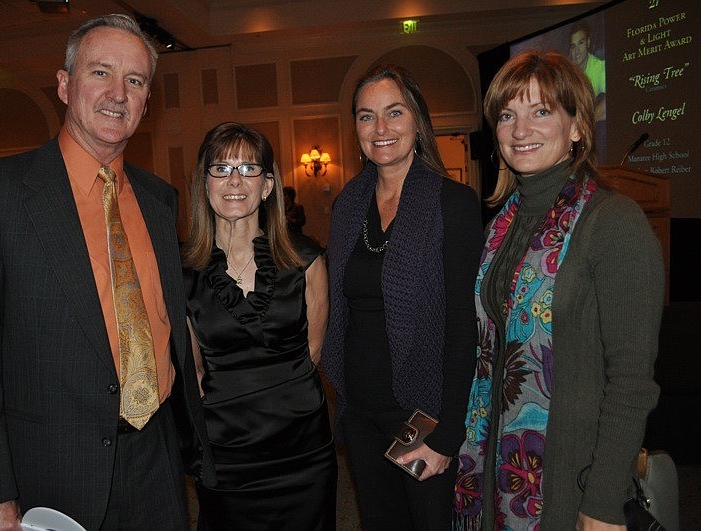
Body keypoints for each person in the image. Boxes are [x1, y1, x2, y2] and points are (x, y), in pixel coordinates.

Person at [0, 14, 213, 530]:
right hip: (50, 476)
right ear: (64, 85)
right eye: (100, 73)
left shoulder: (158, 200)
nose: (118, 93)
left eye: (135, 81)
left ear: (147, 102)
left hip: (157, 458)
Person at [452, 50, 663, 529]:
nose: (520, 130)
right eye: (508, 115)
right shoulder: (501, 225)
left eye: (541, 111)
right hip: (488, 467)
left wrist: (604, 500)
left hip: (570, 479)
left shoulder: (613, 223)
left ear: (577, 127)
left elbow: (631, 381)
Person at [322, 64, 483, 530]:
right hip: (359, 412)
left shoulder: (451, 203)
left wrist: (448, 432)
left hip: (422, 414)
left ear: (417, 120)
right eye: (366, 116)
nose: (381, 128)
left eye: (394, 113)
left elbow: (462, 327)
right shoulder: (347, 205)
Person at [182, 122, 337, 530]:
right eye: (221, 168)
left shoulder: (306, 260)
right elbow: (194, 371)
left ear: (267, 186)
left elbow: (313, 351)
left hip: (302, 449)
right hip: (227, 451)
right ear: (205, 182)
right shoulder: (183, 274)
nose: (235, 180)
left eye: (248, 169)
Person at [569, 20, 606, 159]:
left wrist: (585, 125)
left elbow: (612, 102)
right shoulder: (568, 74)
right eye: (573, 46)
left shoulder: (599, 68)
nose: (577, 51)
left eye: (581, 43)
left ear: (588, 42)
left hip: (588, 133)